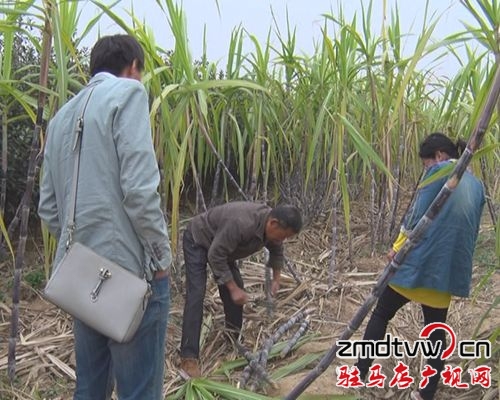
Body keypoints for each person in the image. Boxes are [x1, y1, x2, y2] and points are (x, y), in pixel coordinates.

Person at [39, 35, 172, 400]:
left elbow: (48, 207)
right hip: (129, 276)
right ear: (132, 67)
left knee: (90, 389)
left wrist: (84, 254)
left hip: (80, 276)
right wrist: (161, 258)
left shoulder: (60, 119)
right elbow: (140, 192)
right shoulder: (128, 94)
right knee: (139, 392)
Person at [355, 133, 485, 400]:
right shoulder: (477, 186)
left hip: (416, 267)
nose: (426, 169)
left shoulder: (438, 172)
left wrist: (396, 247)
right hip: (445, 272)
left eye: (426, 163)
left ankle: (360, 372)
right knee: (436, 333)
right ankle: (426, 393)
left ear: (439, 155)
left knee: (381, 314)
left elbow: (417, 215)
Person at [179, 201, 302, 377]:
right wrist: (233, 288)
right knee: (196, 295)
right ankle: (188, 358)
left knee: (236, 287)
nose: (282, 240)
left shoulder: (272, 228)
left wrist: (276, 279)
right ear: (273, 223)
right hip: (198, 239)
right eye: (282, 236)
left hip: (222, 246)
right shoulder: (242, 223)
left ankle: (232, 338)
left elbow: (277, 250)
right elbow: (215, 255)